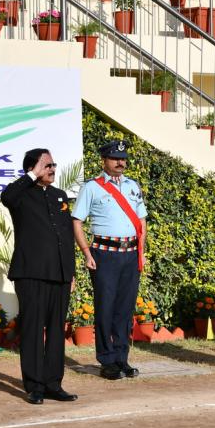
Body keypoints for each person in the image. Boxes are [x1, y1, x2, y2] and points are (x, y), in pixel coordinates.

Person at [1, 148, 77, 405]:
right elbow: (6, 196)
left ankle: (53, 383)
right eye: (47, 165)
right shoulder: (20, 195)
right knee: (33, 329)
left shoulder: (59, 195)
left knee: (56, 330)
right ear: (32, 169)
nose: (52, 169)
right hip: (31, 274)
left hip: (59, 274)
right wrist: (33, 175)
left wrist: (71, 272)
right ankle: (34, 386)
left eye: (53, 165)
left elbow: (66, 235)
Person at [72, 140, 147, 381]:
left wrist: (142, 251)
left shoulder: (133, 186)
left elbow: (141, 219)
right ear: (104, 160)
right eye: (115, 158)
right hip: (104, 254)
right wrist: (86, 252)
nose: (120, 162)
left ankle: (122, 358)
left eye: (123, 159)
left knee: (125, 309)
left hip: (130, 253)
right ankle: (107, 360)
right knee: (105, 307)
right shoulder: (92, 187)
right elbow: (76, 221)